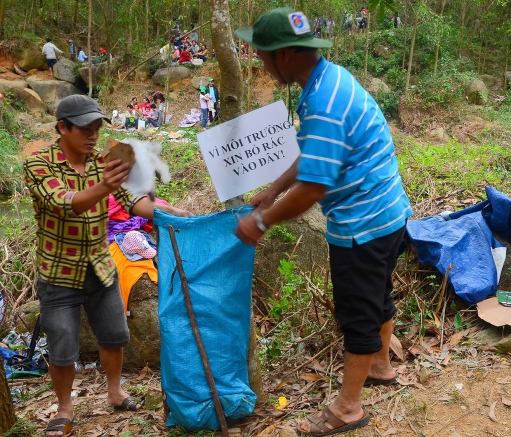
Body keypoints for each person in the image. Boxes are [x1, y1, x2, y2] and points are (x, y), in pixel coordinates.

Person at [234, 7, 411, 436]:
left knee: (358, 315)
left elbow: (314, 188)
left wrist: (261, 222)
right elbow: (312, 153)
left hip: (361, 226)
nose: (260, 62)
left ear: (288, 55)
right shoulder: (326, 82)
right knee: (377, 296)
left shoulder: (325, 101)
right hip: (390, 215)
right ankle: (383, 367)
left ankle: (348, 408)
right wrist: (272, 190)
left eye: (263, 55)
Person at [23, 95, 191, 437]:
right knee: (63, 345)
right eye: (85, 129)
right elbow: (68, 204)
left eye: (97, 128)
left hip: (101, 265)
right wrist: (107, 185)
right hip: (59, 272)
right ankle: (65, 407)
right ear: (62, 128)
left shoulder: (102, 163)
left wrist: (170, 212)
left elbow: (132, 201)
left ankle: (115, 392)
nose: (93, 135)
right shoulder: (40, 165)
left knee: (114, 336)